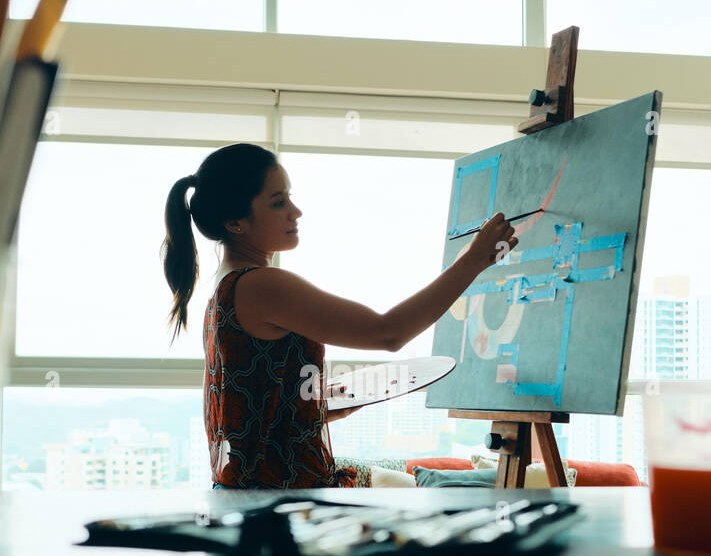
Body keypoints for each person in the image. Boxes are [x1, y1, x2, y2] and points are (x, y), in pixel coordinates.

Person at [161, 142, 516, 488]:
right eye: (278, 202)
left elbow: (255, 407)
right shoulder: (261, 286)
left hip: (256, 499)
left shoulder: (227, 288)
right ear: (235, 222)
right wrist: (473, 261)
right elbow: (387, 332)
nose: (295, 212)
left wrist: (316, 405)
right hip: (278, 505)